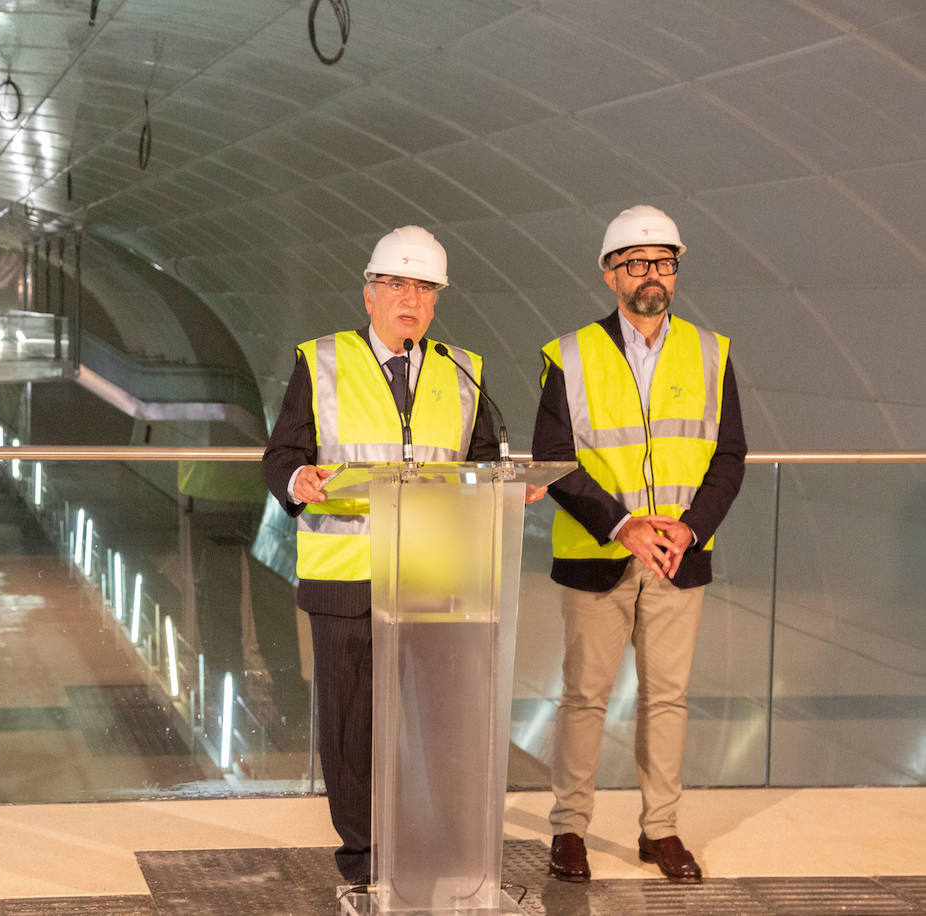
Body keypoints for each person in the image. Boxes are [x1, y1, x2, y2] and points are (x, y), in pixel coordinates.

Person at [261, 225, 505, 886]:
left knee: (436, 728)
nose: (410, 299)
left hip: (429, 579)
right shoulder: (323, 362)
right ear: (368, 296)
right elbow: (281, 453)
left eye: (424, 287)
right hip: (345, 581)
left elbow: (484, 462)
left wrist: (511, 485)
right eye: (396, 284)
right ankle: (364, 858)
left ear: (435, 302)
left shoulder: (463, 370)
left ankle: (433, 850)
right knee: (350, 729)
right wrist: (297, 480)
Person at [532, 205, 746, 884]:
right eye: (637, 263)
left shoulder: (712, 353)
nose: (652, 275)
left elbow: (730, 455)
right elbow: (554, 458)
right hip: (600, 555)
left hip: (679, 557)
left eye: (664, 262)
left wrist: (690, 527)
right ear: (609, 274)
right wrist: (625, 526)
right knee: (585, 698)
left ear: (675, 273)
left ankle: (662, 831)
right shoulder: (568, 354)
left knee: (667, 698)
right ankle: (570, 829)